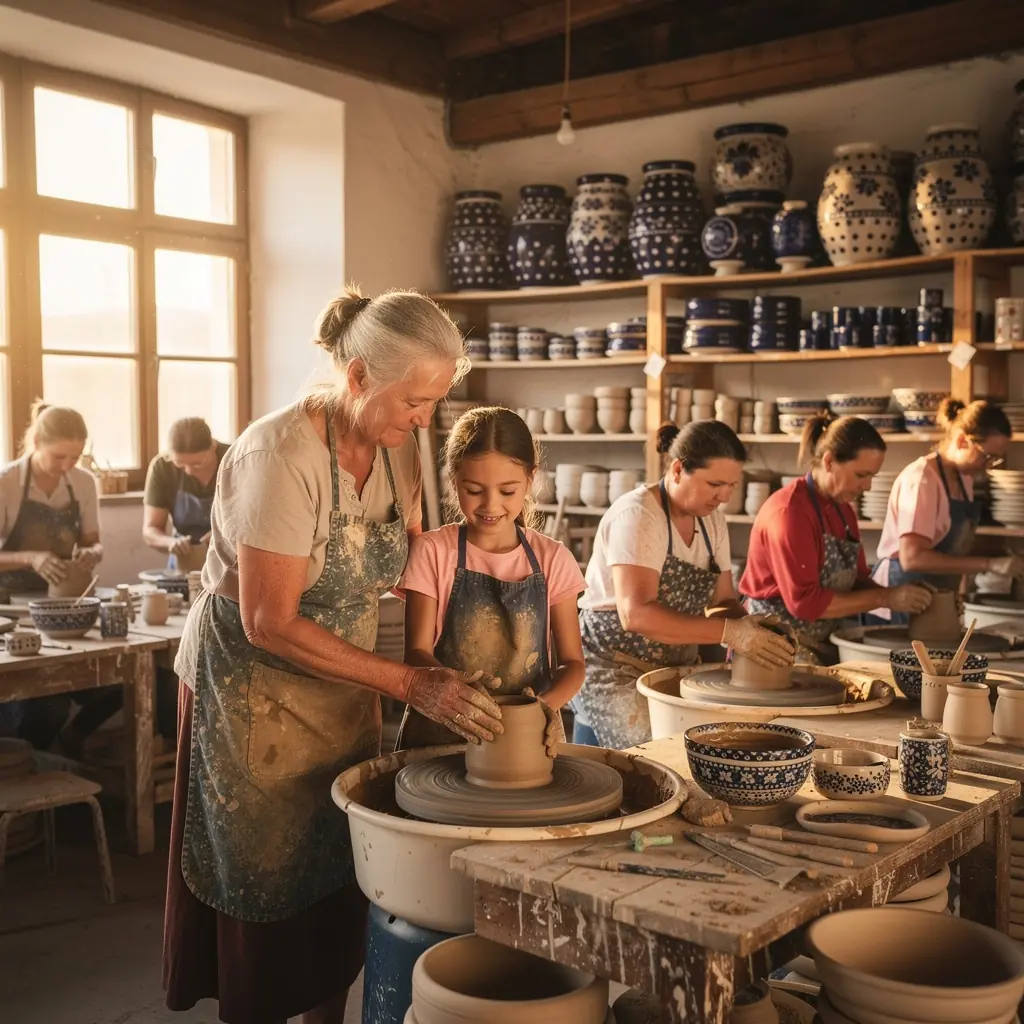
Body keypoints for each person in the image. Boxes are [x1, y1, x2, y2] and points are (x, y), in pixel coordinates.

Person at [162, 288, 503, 1024]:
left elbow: (416, 563)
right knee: (265, 880)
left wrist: (495, 590)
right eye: (414, 401)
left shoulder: (397, 448)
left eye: (434, 402)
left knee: (338, 870)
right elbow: (268, 621)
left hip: (346, 684)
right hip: (251, 691)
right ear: (356, 376)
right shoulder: (279, 454)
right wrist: (410, 683)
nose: (425, 420)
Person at [575, 421, 794, 750]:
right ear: (678, 470)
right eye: (714, 484)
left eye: (731, 485)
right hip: (613, 665)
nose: (724, 497)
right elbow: (636, 615)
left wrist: (752, 627)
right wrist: (732, 633)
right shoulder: (637, 515)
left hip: (675, 664)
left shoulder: (711, 520)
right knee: (657, 756)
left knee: (713, 744)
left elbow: (722, 601)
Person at [398, 406, 586, 753]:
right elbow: (416, 652)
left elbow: (572, 664)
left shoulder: (553, 559)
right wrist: (459, 695)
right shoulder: (433, 551)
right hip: (441, 729)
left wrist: (545, 706)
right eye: (473, 490)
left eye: (507, 491)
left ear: (530, 480)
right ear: (454, 479)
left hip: (525, 736)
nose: (490, 505)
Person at [741, 414, 933, 664]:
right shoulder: (790, 512)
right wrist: (886, 598)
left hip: (820, 640)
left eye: (872, 476)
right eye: (861, 475)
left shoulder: (842, 509)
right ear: (829, 461)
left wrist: (907, 595)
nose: (868, 486)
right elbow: (804, 603)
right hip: (772, 644)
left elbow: (858, 582)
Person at [0, 403, 111, 755]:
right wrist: (30, 557)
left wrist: (92, 553)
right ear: (36, 443)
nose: (67, 465)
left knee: (119, 680)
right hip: (11, 610)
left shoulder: (83, 482)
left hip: (64, 607)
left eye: (75, 457)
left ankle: (70, 741)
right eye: (58, 456)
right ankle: (30, 768)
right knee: (42, 706)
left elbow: (93, 542)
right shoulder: (6, 483)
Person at [872, 398, 1022, 616]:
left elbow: (953, 549)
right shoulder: (922, 479)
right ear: (962, 440)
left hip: (936, 596)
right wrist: (990, 564)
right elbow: (913, 558)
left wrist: (1004, 555)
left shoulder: (964, 478)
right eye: (987, 456)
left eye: (996, 459)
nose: (989, 466)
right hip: (900, 595)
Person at [143, 417, 228, 573]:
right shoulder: (162, 468)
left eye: (197, 464)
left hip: (228, 560)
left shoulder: (233, 459)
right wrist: (170, 543)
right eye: (180, 464)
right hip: (185, 561)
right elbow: (151, 530)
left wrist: (223, 535)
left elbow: (255, 519)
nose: (188, 471)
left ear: (213, 446)